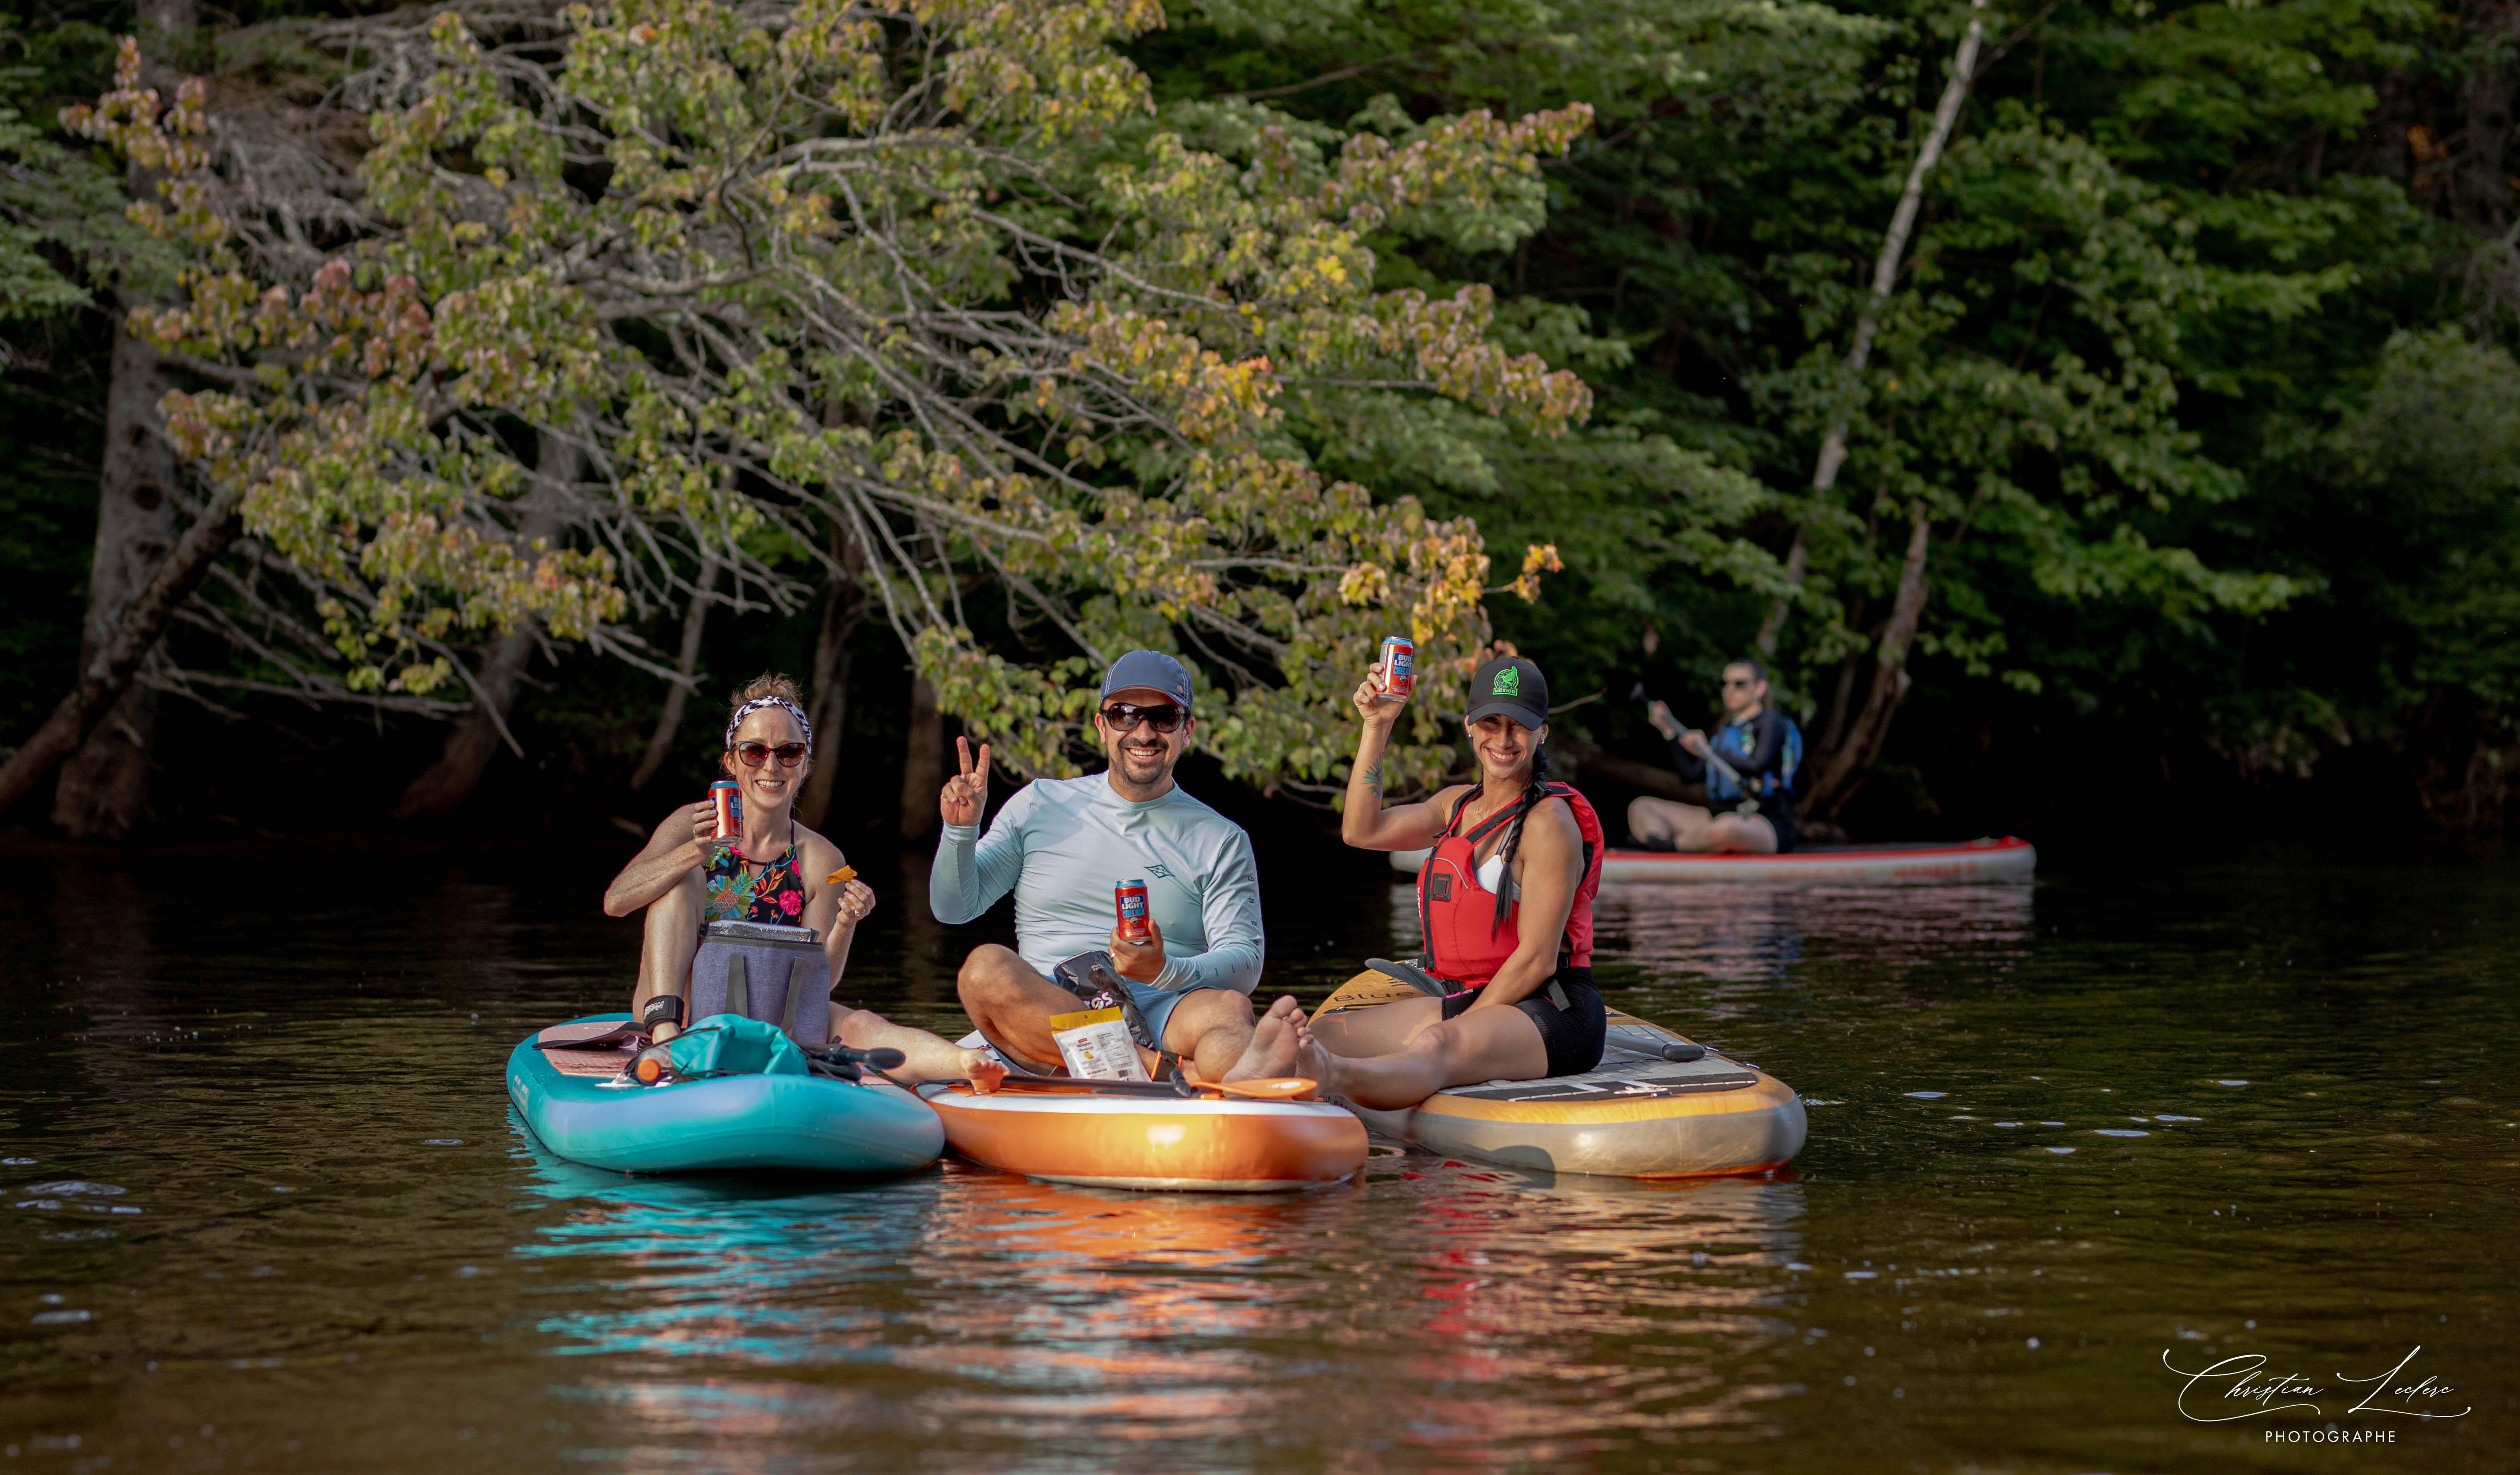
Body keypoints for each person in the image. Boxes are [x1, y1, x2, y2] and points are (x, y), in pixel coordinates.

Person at [1244, 653, 1607, 1110]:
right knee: (1325, 1032)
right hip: (1480, 998)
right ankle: (1272, 1076)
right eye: (1490, 722)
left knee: (1436, 1046)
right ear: (1469, 726)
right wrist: (1377, 724)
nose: (1503, 739)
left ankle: (1334, 1076)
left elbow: (1537, 962)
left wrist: (1458, 1027)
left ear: (1543, 733)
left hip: (1555, 1012)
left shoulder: (1548, 823)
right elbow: (1361, 830)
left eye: (1518, 725)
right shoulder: (1454, 806)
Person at [602, 674, 1002, 1087]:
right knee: (681, 882)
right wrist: (693, 854)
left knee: (860, 1022)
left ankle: (966, 1064)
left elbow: (819, 981)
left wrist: (846, 924)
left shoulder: (824, 860)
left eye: (788, 752)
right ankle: (668, 1042)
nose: (771, 766)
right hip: (686, 1018)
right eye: (754, 751)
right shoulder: (691, 824)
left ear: (805, 764)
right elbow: (616, 901)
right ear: (731, 760)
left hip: (778, 1022)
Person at [933, 650, 1277, 1083]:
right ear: (1102, 726)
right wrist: (960, 833)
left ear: (1187, 730)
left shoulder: (1222, 838)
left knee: (1227, 1010)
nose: (1144, 732)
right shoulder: (1039, 803)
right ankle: (1151, 1072)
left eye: (1164, 717)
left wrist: (1166, 969)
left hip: (1167, 1007)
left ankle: (1246, 1091)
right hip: (1049, 1011)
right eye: (1125, 714)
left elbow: (1245, 960)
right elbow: (953, 908)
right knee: (984, 969)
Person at [1626, 657, 1803, 854]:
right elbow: (1690, 775)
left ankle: (1671, 846)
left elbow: (1756, 765)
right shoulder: (1723, 734)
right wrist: (1669, 734)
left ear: (1760, 688)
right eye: (1724, 684)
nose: (1730, 690)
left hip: (1764, 820)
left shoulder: (1771, 723)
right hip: (1718, 814)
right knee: (1641, 807)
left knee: (1728, 828)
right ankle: (1663, 844)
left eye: (1740, 684)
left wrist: (1708, 751)